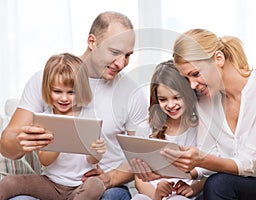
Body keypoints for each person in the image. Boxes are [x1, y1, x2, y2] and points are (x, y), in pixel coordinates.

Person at [0, 11, 148, 200]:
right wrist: (20, 142)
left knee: (110, 197)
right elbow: (7, 144)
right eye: (115, 52)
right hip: (53, 183)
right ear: (92, 41)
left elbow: (143, 157)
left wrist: (109, 179)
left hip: (104, 187)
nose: (122, 63)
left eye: (127, 55)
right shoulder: (48, 79)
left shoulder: (131, 93)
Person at [155, 28, 256, 199]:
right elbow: (209, 155)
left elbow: (249, 163)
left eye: (195, 74)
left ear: (218, 58)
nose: (192, 85)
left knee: (218, 183)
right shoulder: (205, 100)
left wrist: (200, 159)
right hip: (232, 185)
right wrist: (173, 171)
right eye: (187, 79)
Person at [0, 53, 107, 199]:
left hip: (80, 185)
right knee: (8, 182)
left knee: (96, 185)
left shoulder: (88, 117)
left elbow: (91, 160)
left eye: (71, 92)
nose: (64, 98)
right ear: (48, 89)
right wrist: (59, 139)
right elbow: (45, 160)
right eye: (57, 91)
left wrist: (97, 152)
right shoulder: (45, 118)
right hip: (50, 184)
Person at [131, 60, 205, 200]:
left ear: (188, 94)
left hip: (182, 194)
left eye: (177, 97)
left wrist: (193, 188)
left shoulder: (199, 127)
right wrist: (156, 194)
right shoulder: (146, 128)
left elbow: (207, 171)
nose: (170, 105)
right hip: (153, 193)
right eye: (163, 99)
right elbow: (139, 177)